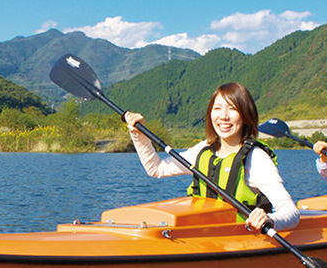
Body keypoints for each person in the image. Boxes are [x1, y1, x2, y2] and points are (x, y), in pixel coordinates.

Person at [123, 82, 299, 232]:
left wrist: (269, 219)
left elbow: (291, 212)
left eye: (233, 109)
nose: (223, 116)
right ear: (210, 114)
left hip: (239, 241)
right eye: (217, 109)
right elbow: (156, 168)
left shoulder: (256, 159)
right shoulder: (203, 150)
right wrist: (138, 135)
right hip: (202, 236)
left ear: (245, 116)